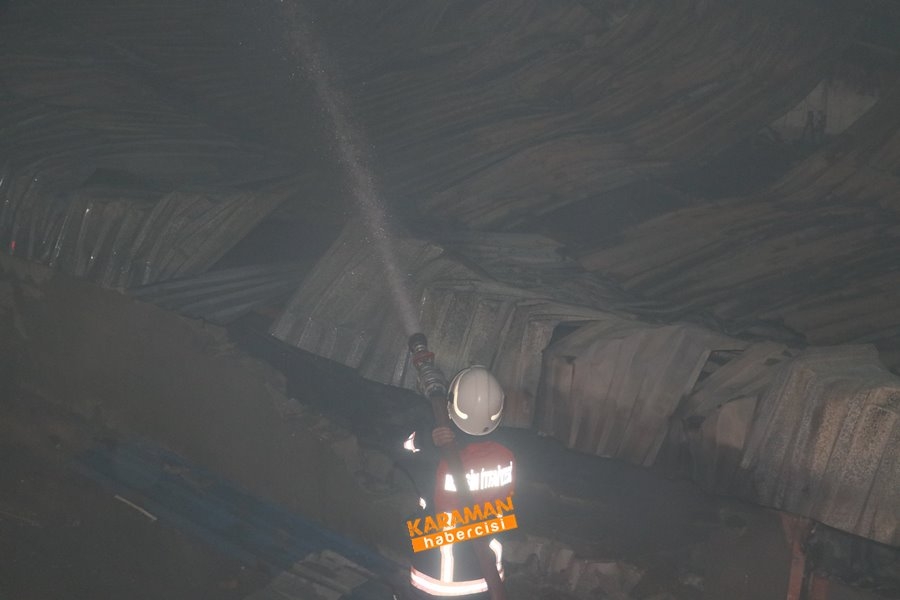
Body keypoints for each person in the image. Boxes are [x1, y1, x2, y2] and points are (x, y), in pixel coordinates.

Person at [402, 365, 515, 598]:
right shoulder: (508, 454)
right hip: (486, 578)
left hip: (434, 578)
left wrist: (428, 437)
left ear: (451, 404)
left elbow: (401, 453)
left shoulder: (437, 460)